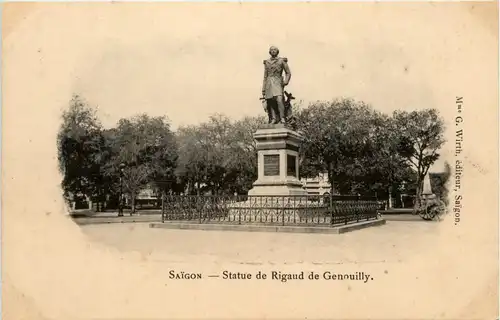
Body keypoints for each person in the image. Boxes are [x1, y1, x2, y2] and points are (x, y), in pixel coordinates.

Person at [262, 46, 291, 124]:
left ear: (277, 51)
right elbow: (265, 76)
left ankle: (282, 118)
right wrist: (263, 88)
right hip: (268, 83)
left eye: (275, 50)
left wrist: (286, 82)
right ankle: (274, 118)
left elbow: (288, 73)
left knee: (279, 100)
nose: (273, 51)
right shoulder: (267, 62)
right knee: (270, 101)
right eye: (271, 50)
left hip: (278, 82)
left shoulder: (281, 61)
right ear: (269, 52)